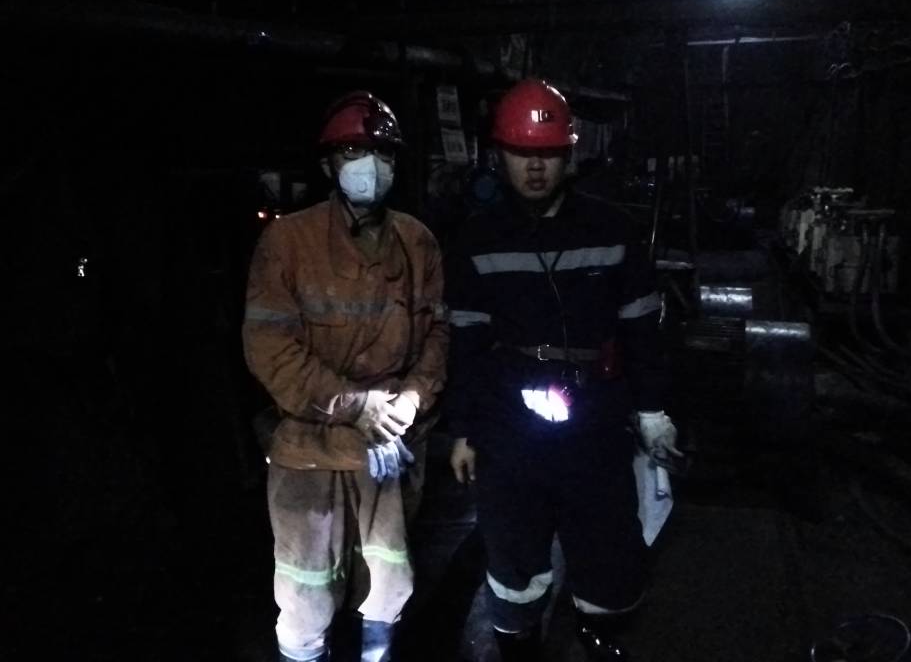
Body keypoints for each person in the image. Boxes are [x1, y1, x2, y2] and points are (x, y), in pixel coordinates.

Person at [445, 78, 681, 661]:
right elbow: (466, 344)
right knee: (513, 551)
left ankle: (599, 636)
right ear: (499, 155)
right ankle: (519, 645)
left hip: (596, 421)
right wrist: (463, 430)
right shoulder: (476, 239)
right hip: (509, 424)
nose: (534, 167)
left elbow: (642, 329)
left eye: (548, 153)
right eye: (521, 152)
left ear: (568, 155)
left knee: (607, 547)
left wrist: (652, 408)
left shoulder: (612, 230)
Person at [242, 91, 448, 662]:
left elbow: (436, 335)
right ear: (329, 164)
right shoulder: (288, 241)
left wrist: (413, 397)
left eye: (382, 152)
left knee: (387, 583)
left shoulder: (417, 241)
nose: (369, 164)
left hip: (389, 449)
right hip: (310, 449)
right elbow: (270, 348)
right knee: (307, 590)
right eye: (353, 151)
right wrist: (355, 405)